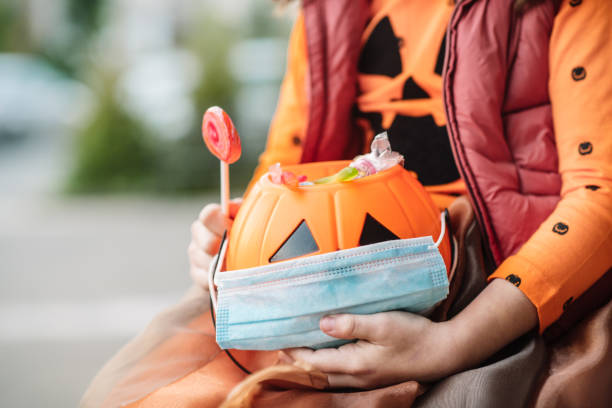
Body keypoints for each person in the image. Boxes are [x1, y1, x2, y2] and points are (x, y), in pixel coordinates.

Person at [83, 0, 612, 406]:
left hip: (498, 274)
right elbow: (289, 173)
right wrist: (234, 236)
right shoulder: (324, 12)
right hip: (329, 261)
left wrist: (452, 344)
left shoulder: (574, 9)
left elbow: (600, 193)